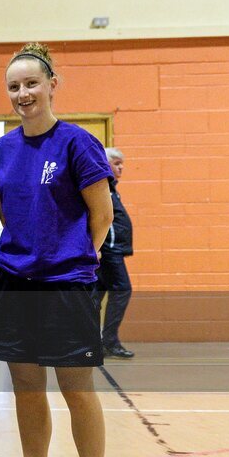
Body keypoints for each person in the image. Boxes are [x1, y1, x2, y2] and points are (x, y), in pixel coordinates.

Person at [0, 42, 114, 457]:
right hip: (16, 283)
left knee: (77, 388)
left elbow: (100, 214)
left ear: (52, 85)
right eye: (14, 86)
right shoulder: (1, 150)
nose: (23, 93)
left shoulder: (78, 142)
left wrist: (76, 256)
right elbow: (6, 215)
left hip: (67, 285)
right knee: (25, 387)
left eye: (32, 83)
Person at [96, 148, 135, 358]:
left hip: (110, 250)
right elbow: (101, 218)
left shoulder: (112, 189)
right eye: (117, 163)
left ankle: (94, 341)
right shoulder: (102, 187)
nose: (121, 167)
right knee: (122, 290)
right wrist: (100, 248)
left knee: (96, 295)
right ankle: (108, 341)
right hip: (109, 251)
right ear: (105, 163)